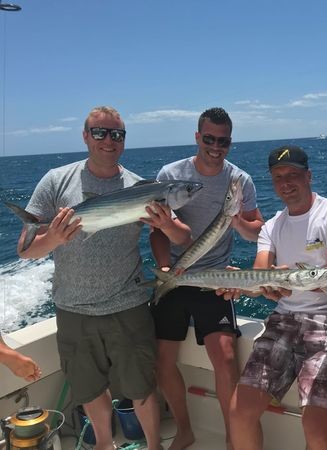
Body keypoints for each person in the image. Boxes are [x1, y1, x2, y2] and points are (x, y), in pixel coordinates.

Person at [15, 106, 173, 450]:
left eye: (117, 134)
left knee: (142, 386)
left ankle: (154, 446)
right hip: (74, 309)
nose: (108, 140)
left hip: (128, 305)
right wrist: (53, 238)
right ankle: (104, 444)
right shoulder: (56, 181)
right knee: (88, 389)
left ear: (124, 140)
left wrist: (165, 235)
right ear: (85, 136)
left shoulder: (141, 187)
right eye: (100, 132)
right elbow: (25, 250)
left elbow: (165, 234)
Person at [228, 145, 327, 450]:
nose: (285, 183)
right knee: (239, 412)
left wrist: (285, 280)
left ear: (308, 176)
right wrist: (241, 283)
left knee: (316, 428)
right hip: (283, 321)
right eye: (278, 177)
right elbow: (260, 275)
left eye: (293, 174)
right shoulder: (271, 226)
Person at [149, 107, 264, 450]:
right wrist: (164, 266)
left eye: (223, 141)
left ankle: (232, 440)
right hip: (176, 274)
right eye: (209, 139)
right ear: (198, 137)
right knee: (161, 360)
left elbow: (257, 231)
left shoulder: (240, 180)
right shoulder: (171, 174)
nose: (216, 146)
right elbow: (157, 230)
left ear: (230, 142)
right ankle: (184, 430)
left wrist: (236, 220)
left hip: (215, 278)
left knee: (226, 358)